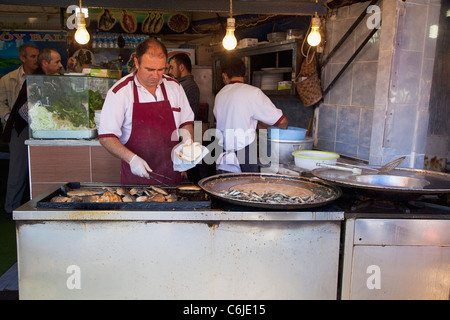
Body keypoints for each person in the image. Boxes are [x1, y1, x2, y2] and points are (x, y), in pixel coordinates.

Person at [98, 38, 195, 185]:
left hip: (172, 176)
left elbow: (186, 122)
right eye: (150, 69)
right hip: (136, 180)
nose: (156, 76)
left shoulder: (175, 87)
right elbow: (106, 137)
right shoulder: (120, 93)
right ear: (137, 63)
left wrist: (188, 143)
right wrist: (132, 159)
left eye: (161, 69)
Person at [213, 56, 288, 173]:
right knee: (248, 189)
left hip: (223, 155)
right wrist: (283, 135)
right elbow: (281, 121)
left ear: (225, 75)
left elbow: (233, 120)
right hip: (245, 155)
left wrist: (258, 124)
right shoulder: (253, 92)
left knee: (223, 188)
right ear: (244, 73)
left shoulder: (220, 95)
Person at [0, 44, 39, 218]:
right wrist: (10, 118)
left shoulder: (41, 77)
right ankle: (11, 208)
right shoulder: (7, 79)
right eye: (32, 56)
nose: (35, 59)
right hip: (18, 128)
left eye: (37, 56)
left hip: (39, 127)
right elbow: (0, 103)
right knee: (17, 169)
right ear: (22, 58)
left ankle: (36, 205)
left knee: (39, 167)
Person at [167, 53, 200, 118]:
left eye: (172, 67)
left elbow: (190, 116)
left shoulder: (190, 87)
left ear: (181, 67)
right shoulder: (179, 85)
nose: (169, 72)